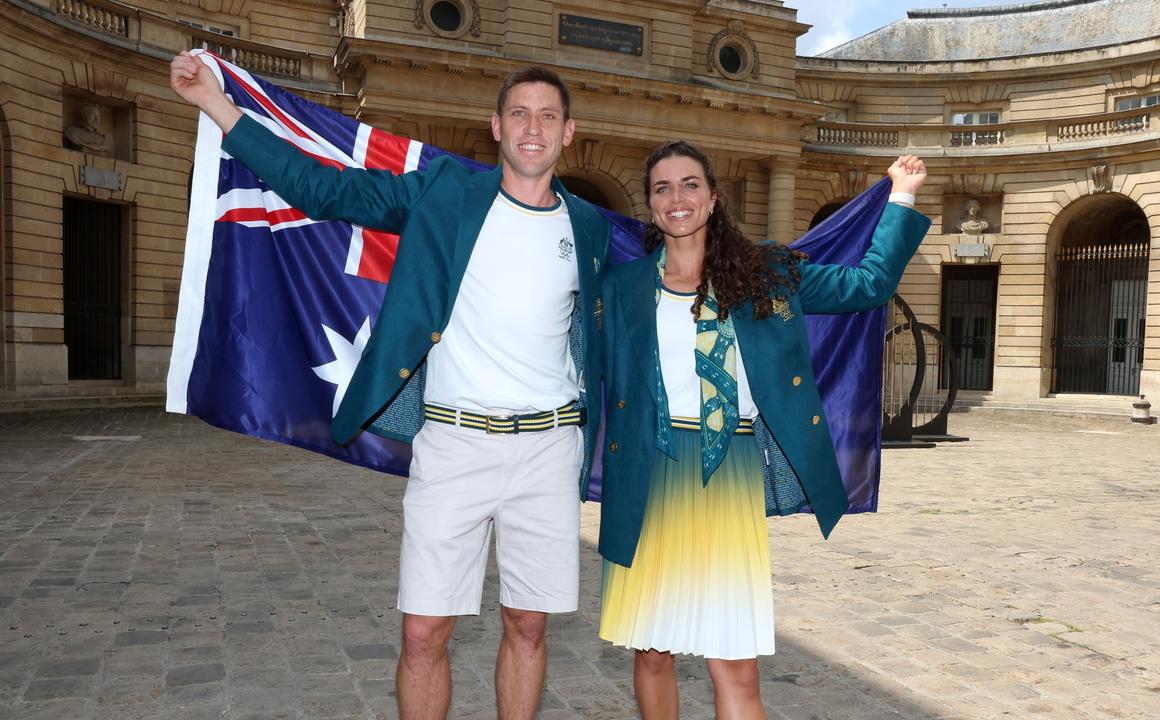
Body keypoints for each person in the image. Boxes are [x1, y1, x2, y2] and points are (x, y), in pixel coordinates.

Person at [169, 52, 612, 720]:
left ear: (568, 132)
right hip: (454, 445)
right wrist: (218, 106)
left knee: (528, 624)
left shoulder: (591, 226)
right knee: (423, 630)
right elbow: (325, 189)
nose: (533, 127)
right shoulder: (443, 193)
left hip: (547, 452)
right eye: (519, 113)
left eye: (548, 116)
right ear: (495, 126)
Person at [596, 140, 930, 718]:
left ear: (713, 197)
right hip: (649, 472)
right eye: (662, 188)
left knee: (737, 667)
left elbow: (869, 286)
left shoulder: (767, 275)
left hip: (730, 472)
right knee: (652, 652)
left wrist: (902, 195)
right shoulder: (622, 288)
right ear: (650, 206)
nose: (677, 198)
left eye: (690, 184)